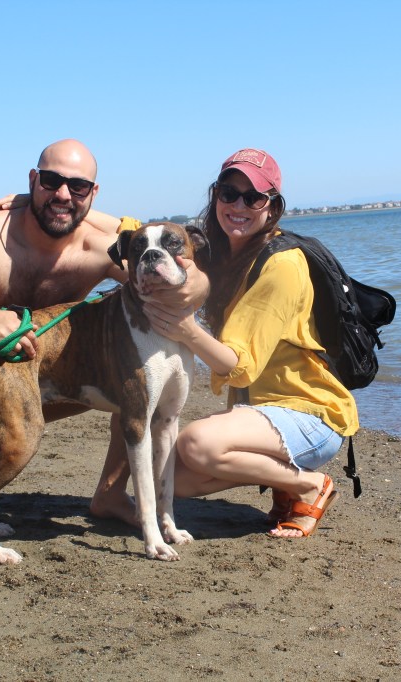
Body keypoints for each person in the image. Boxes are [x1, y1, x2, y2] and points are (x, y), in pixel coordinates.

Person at [0, 139, 208, 526]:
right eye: (50, 181)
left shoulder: (100, 247)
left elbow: (170, 261)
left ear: (93, 193)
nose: (63, 195)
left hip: (64, 376)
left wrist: (192, 284)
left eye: (77, 187)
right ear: (33, 179)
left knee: (136, 378)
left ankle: (110, 495)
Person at [144, 149, 358, 539]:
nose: (238, 205)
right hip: (263, 415)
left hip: (310, 415)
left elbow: (240, 366)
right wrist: (24, 203)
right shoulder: (225, 253)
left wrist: (186, 329)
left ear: (272, 207)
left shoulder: (281, 265)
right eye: (229, 193)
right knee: (172, 481)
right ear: (215, 197)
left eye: (253, 197)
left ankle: (310, 486)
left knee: (197, 443)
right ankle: (286, 483)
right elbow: (139, 230)